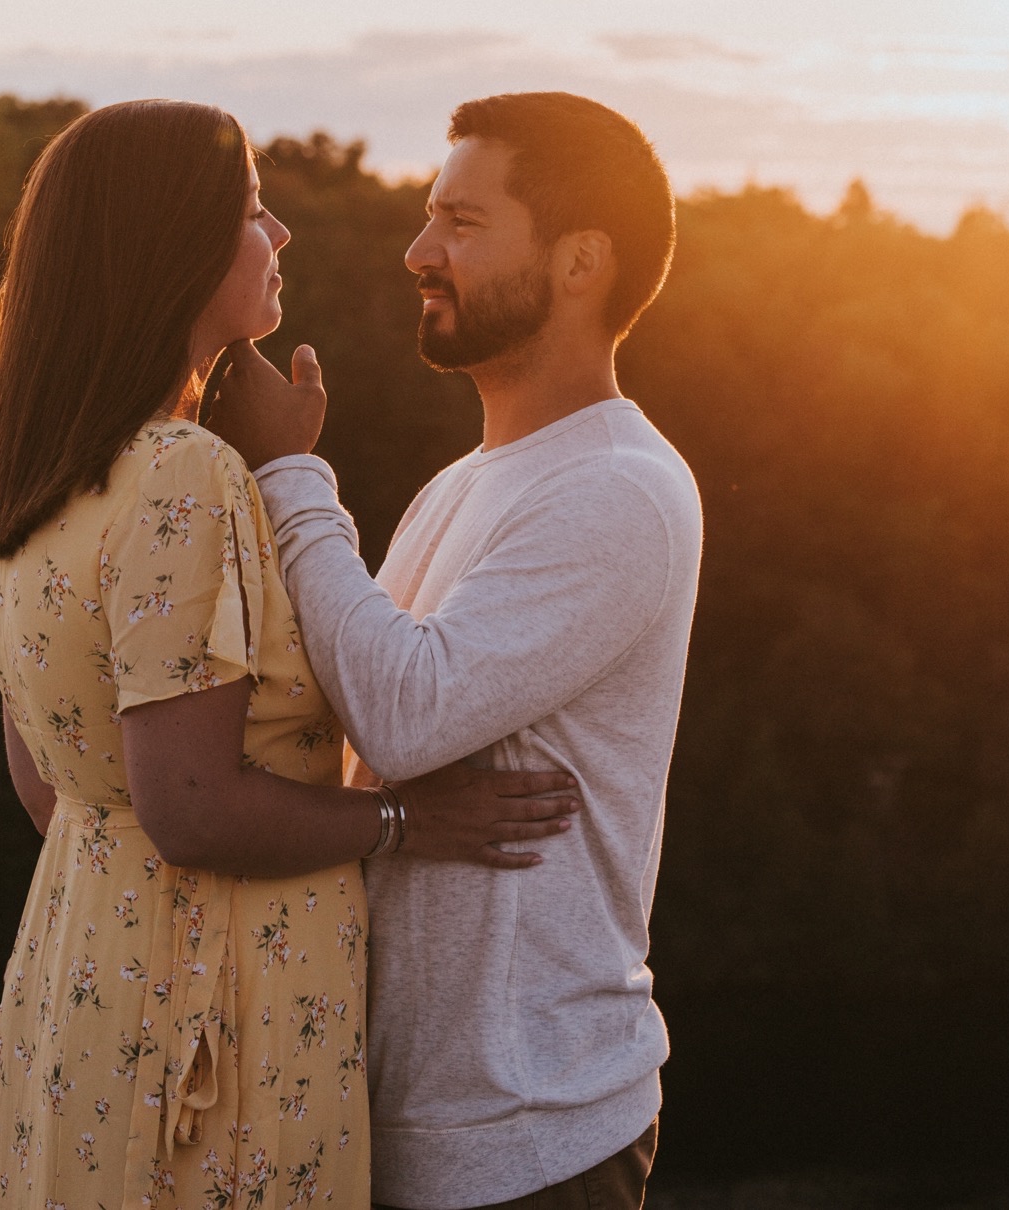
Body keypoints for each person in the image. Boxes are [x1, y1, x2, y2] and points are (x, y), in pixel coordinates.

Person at [0, 99, 580, 1210]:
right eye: (257, 213)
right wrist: (408, 821)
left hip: (82, 978)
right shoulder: (185, 475)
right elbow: (188, 805)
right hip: (218, 1008)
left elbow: (57, 791)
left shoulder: (33, 480)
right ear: (171, 249)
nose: (282, 238)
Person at [209, 92, 703, 1210]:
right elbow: (354, 723)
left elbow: (403, 713)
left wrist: (289, 474)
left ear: (582, 262)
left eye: (463, 224)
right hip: (407, 1125)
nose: (419, 252)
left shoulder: (620, 488)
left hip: (528, 1139)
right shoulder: (468, 481)